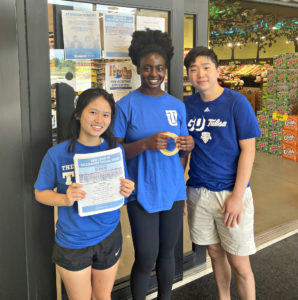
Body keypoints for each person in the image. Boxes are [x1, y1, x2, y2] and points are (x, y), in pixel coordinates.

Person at [114, 29, 194, 300]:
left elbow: (182, 151)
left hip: (173, 193)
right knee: (146, 256)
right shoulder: (126, 106)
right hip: (141, 192)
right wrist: (145, 144)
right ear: (138, 68)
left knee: (168, 254)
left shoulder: (177, 106)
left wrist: (188, 147)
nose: (154, 73)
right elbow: (113, 153)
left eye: (159, 68)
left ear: (166, 70)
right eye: (147, 67)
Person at [34, 88, 134, 300]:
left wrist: (126, 191)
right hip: (73, 241)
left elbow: (120, 196)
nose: (99, 120)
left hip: (109, 234)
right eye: (93, 112)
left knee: (103, 296)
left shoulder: (114, 151)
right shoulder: (57, 154)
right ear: (78, 114)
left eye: (106, 115)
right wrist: (64, 198)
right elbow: (40, 193)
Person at [182, 46, 261, 300]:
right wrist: (180, 190)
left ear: (217, 71)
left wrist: (237, 196)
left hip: (231, 193)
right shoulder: (187, 106)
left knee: (240, 263)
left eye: (206, 67)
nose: (200, 74)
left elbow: (248, 151)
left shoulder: (235, 102)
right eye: (193, 69)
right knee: (215, 254)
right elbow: (184, 150)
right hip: (199, 192)